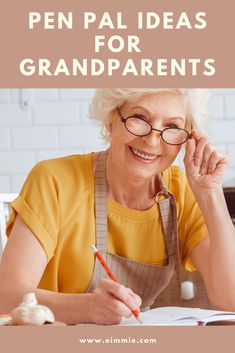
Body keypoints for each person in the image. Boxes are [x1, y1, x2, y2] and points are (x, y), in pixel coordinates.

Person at [0, 89, 235, 326]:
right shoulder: (54, 181)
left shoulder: (181, 191)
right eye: (139, 119)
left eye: (172, 126)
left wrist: (210, 194)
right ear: (111, 118)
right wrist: (88, 308)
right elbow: (7, 296)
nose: (152, 140)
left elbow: (231, 300)